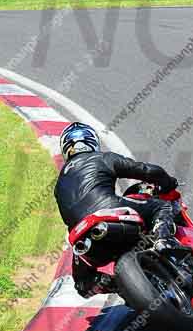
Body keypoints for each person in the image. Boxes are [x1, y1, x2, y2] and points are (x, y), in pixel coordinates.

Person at [55, 122, 179, 297]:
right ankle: (162, 240)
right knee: (161, 206)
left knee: (84, 284)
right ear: (92, 142)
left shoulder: (59, 185)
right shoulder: (102, 158)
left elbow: (68, 219)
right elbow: (145, 170)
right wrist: (168, 182)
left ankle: (123, 288)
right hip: (111, 214)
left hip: (85, 239)